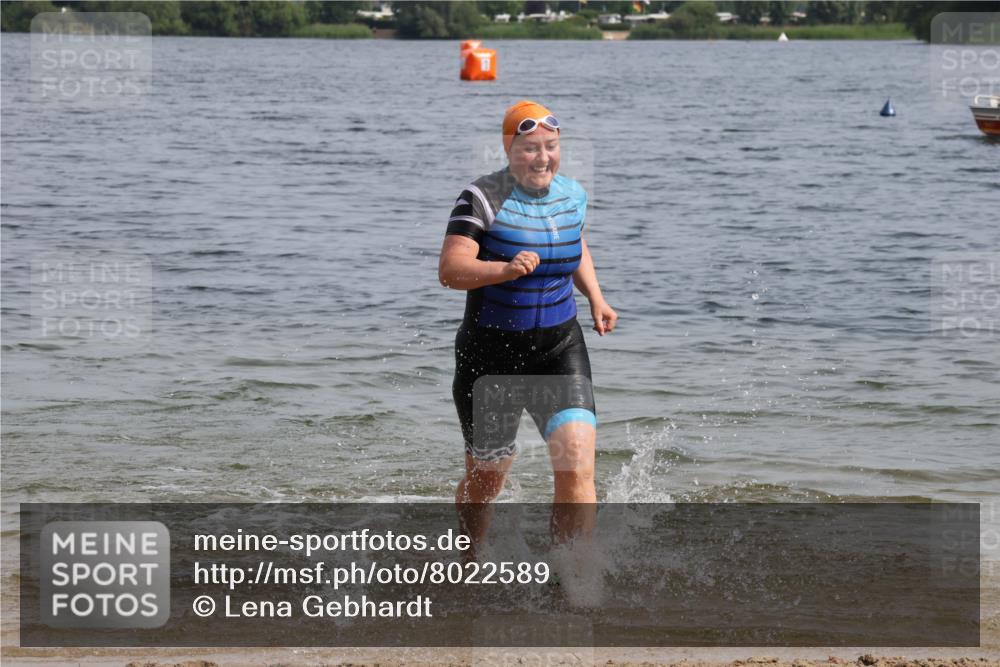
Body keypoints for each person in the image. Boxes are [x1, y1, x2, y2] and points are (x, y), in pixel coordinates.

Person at [438, 100, 617, 546]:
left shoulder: (573, 195)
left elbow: (574, 244)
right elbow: (451, 269)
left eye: (551, 147)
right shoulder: (481, 197)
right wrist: (505, 269)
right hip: (491, 357)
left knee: (577, 466)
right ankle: (467, 561)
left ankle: (570, 585)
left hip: (559, 347)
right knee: (487, 482)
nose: (542, 158)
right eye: (529, 148)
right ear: (508, 149)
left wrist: (595, 296)